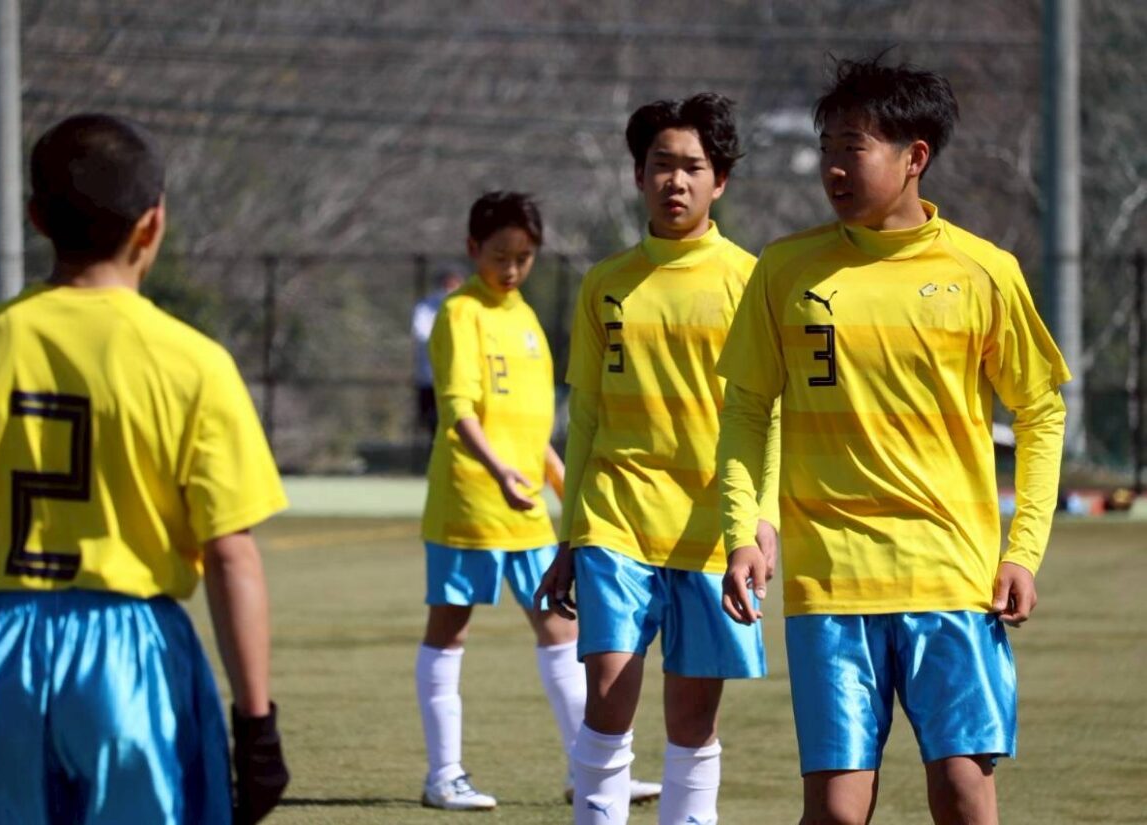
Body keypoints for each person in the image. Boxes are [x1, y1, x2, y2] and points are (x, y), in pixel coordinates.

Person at [716, 56, 1070, 825]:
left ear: (916, 157)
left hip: (953, 579)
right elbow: (745, 408)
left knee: (964, 796)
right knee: (837, 812)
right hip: (831, 583)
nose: (834, 167)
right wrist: (742, 529)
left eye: (855, 146)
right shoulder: (785, 269)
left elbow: (1041, 412)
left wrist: (1023, 549)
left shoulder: (984, 270)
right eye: (827, 147)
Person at [0, 113, 290, 824]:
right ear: (152, 223)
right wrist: (256, 722)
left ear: (36, 218)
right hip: (129, 648)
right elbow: (230, 554)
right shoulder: (192, 362)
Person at [537, 93, 781, 825]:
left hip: (713, 531)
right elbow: (585, 418)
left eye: (693, 167)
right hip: (615, 521)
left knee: (693, 722)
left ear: (720, 181)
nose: (676, 180)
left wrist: (761, 520)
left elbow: (770, 417)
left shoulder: (751, 280)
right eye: (661, 164)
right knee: (607, 705)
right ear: (639, 174)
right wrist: (570, 536)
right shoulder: (605, 283)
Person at [416, 191, 661, 811]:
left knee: (561, 630)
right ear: (473, 249)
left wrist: (561, 481)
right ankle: (444, 775)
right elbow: (458, 411)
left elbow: (532, 432)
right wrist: (499, 471)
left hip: (525, 511)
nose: (511, 268)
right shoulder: (459, 314)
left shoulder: (525, 318)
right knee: (449, 631)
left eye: (523, 257)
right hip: (469, 506)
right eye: (500, 255)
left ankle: (589, 771)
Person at [412, 265, 465, 435]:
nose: (450, 289)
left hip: (460, 380)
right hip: (431, 379)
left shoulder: (467, 307)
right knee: (433, 427)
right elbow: (422, 334)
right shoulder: (426, 308)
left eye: (454, 283)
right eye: (447, 284)